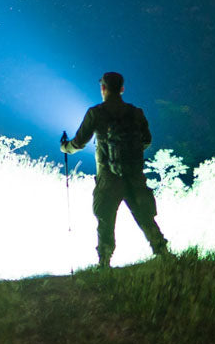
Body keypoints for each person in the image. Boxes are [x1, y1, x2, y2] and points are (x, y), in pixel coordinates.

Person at [61, 71, 170, 268]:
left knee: (105, 219)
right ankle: (163, 253)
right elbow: (147, 140)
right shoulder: (136, 113)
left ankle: (104, 262)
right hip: (134, 176)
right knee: (145, 217)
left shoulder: (95, 113)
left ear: (103, 88)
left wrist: (64, 147)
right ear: (122, 89)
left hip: (108, 179)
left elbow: (78, 143)